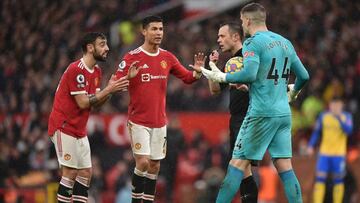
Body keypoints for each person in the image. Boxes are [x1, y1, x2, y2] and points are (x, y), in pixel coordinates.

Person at [201, 3, 310, 203]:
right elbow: (303, 75)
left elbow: (250, 73)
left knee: (236, 166)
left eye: (242, 21)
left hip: (261, 113)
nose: (242, 25)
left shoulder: (253, 43)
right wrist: (293, 93)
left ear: (248, 21)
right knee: (285, 167)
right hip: (283, 113)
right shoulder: (285, 42)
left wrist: (222, 76)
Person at [115, 15, 205, 203]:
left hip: (159, 122)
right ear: (144, 31)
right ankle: (135, 200)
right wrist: (128, 79)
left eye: (161, 29)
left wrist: (197, 71)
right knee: (143, 162)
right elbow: (113, 82)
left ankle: (147, 200)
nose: (158, 33)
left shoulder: (167, 57)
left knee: (155, 165)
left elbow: (188, 78)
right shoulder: (133, 57)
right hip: (138, 121)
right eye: (154, 29)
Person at [48, 32, 140, 203]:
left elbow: (97, 104)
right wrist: (109, 90)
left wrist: (112, 89)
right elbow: (83, 103)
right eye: (102, 44)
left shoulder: (96, 71)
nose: (107, 48)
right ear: (90, 48)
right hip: (63, 126)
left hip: (79, 130)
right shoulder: (77, 69)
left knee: (85, 173)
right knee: (69, 172)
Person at [207, 22, 258, 202]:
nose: (218, 40)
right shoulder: (231, 62)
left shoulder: (250, 56)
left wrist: (248, 88)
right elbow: (215, 90)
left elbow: (263, 85)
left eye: (222, 36)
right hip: (236, 119)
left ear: (236, 37)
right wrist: (212, 66)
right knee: (244, 170)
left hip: (249, 117)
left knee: (236, 167)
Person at [307, 97, 353, 203]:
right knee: (320, 178)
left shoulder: (347, 117)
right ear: (330, 105)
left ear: (342, 106)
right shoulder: (324, 116)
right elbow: (316, 132)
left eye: (337, 105)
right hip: (324, 154)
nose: (335, 107)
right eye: (333, 105)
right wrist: (311, 145)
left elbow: (349, 131)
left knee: (338, 180)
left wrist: (339, 118)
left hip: (339, 154)